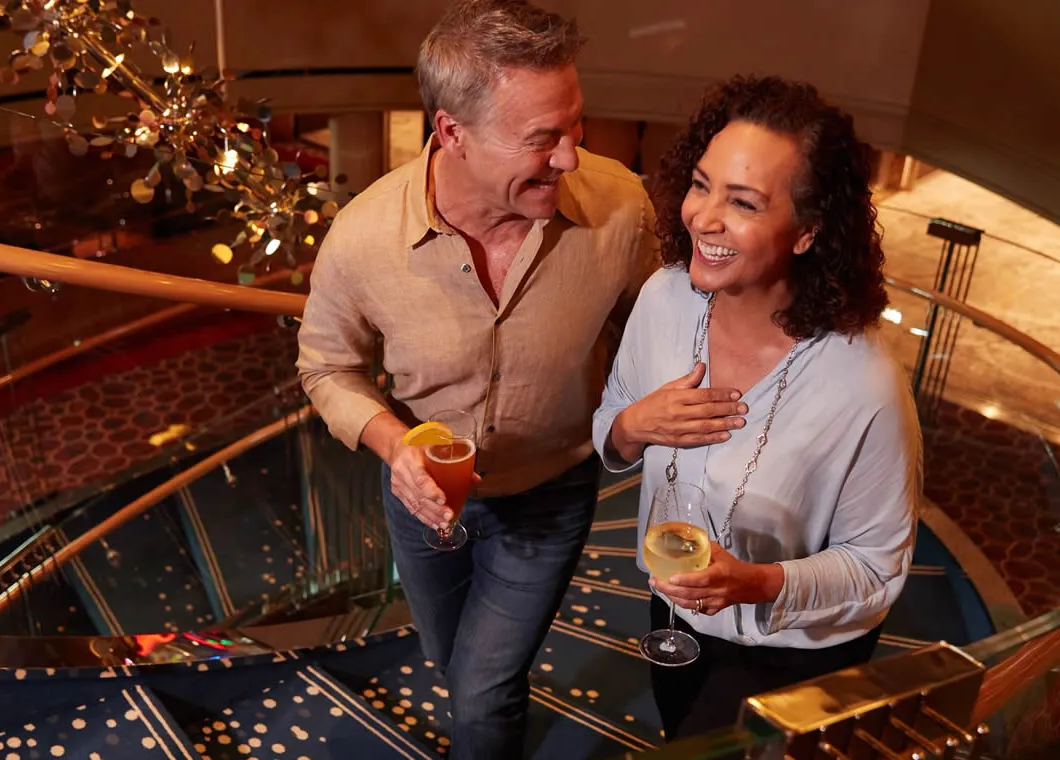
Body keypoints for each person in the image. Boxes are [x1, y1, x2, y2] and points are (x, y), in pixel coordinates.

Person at [295, 1, 656, 756]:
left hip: (550, 497)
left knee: (485, 691)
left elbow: (656, 334)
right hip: (420, 504)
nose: (569, 158)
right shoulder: (362, 238)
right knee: (449, 661)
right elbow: (327, 366)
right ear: (452, 131)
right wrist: (395, 446)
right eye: (542, 138)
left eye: (576, 127)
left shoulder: (622, 209)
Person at [591, 76, 922, 740]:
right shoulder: (662, 299)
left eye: (742, 202)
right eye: (701, 185)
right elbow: (612, 422)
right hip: (673, 611)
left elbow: (875, 566)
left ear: (806, 232)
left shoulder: (864, 382)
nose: (704, 217)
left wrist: (756, 582)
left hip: (792, 652)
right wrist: (632, 426)